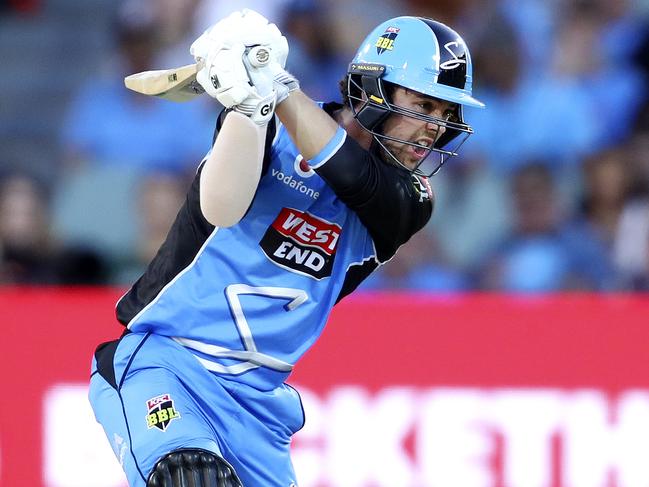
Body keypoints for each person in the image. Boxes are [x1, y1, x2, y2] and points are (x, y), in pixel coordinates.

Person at [88, 9, 483, 487]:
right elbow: (221, 207)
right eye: (422, 103)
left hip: (258, 408)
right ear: (377, 90)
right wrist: (249, 106)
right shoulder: (270, 127)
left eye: (444, 113)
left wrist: (276, 84)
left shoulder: (411, 198)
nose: (433, 127)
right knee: (189, 478)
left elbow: (353, 174)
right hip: (169, 365)